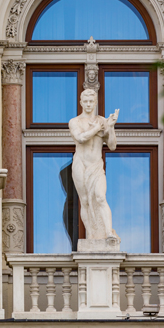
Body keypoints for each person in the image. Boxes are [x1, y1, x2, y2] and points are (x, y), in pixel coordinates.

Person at [68, 89, 119, 243]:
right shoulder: (74, 121)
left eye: (92, 101)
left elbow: (112, 146)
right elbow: (80, 138)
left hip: (96, 165)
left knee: (100, 197)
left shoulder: (103, 121)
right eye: (86, 101)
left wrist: (110, 128)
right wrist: (97, 129)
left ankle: (109, 232)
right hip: (80, 164)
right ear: (81, 102)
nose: (89, 104)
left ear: (95, 102)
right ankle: (90, 234)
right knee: (85, 200)